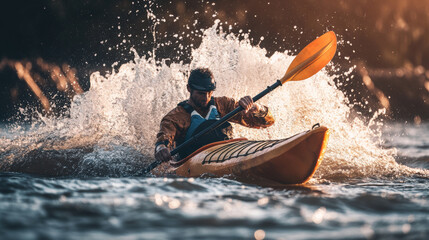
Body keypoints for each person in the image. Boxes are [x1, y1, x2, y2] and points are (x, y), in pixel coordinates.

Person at [154, 68, 275, 162]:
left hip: (227, 154)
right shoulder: (175, 117)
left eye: (209, 93)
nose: (206, 98)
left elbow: (268, 122)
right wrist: (161, 149)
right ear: (189, 88)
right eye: (201, 93)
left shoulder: (223, 104)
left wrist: (256, 108)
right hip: (193, 160)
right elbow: (163, 140)